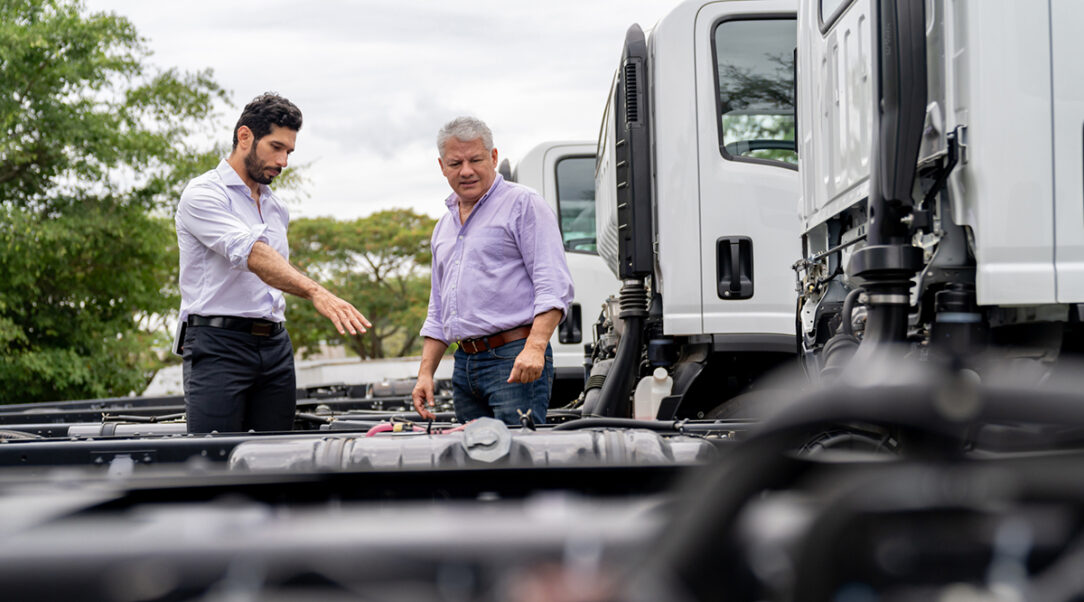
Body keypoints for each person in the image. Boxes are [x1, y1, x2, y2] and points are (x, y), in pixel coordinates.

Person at [175, 93, 371, 434]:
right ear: (245, 136)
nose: (283, 161)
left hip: (275, 345)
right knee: (214, 461)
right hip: (218, 344)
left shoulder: (276, 206)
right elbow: (253, 254)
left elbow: (274, 269)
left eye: (289, 152)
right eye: (276, 147)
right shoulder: (204, 194)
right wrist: (316, 292)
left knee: (279, 457)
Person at [412, 116, 574, 426]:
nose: (466, 170)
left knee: (517, 461)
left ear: (494, 157)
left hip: (514, 357)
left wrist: (535, 348)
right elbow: (439, 309)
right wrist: (425, 374)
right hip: (465, 363)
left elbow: (553, 285)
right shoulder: (444, 227)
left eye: (475, 159)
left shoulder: (523, 204)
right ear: (442, 166)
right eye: (455, 163)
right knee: (475, 461)